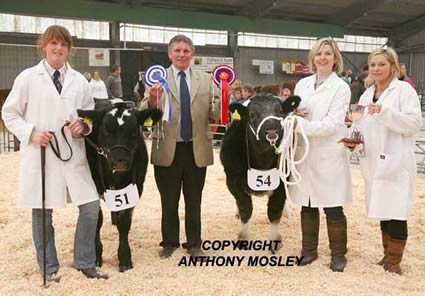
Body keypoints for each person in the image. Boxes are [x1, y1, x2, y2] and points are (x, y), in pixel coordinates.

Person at [1, 25, 107, 281]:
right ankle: (48, 268)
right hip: (42, 155)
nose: (58, 48)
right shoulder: (27, 77)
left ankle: (84, 261)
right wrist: (31, 132)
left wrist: (83, 126)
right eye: (53, 43)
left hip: (73, 155)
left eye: (63, 45)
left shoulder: (80, 81)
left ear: (69, 50)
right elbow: (9, 113)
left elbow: (88, 116)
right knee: (42, 211)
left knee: (91, 206)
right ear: (44, 46)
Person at [140, 34, 220, 259]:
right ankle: (169, 242)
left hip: (196, 148)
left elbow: (216, 116)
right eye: (178, 50)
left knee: (194, 199)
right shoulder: (157, 78)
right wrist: (154, 99)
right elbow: (144, 113)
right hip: (167, 148)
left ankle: (194, 243)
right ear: (170, 53)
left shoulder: (205, 80)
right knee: (169, 199)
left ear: (192, 54)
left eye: (186, 51)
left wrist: (224, 97)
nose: (182, 54)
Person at [354, 48, 421, 274]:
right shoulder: (366, 94)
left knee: (397, 211)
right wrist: (354, 139)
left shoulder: (404, 91)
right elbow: (362, 124)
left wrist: (385, 112)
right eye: (373, 65)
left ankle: (395, 261)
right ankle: (386, 255)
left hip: (396, 160)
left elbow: (413, 124)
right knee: (382, 208)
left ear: (393, 66)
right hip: (374, 160)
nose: (376, 69)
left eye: (381, 64)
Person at [290, 37, 352, 272]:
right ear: (312, 58)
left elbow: (333, 124)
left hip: (329, 152)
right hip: (305, 151)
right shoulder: (303, 84)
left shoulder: (341, 87)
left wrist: (298, 124)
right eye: (319, 53)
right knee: (307, 203)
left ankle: (338, 255)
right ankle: (308, 251)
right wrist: (294, 114)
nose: (323, 57)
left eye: (328, 53)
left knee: (332, 205)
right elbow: (296, 112)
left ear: (335, 59)